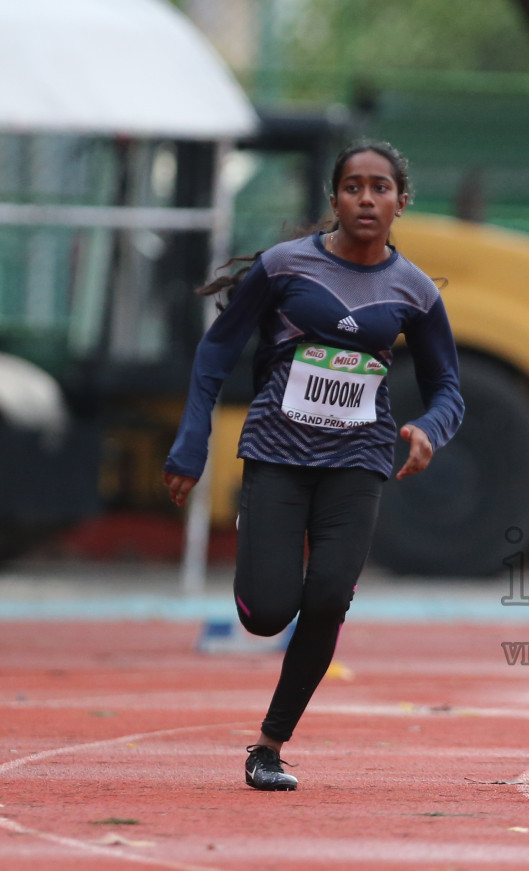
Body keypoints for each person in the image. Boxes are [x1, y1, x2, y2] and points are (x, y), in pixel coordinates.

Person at [162, 140, 464, 790]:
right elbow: (215, 353)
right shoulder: (284, 267)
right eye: (353, 186)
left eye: (380, 187)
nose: (366, 198)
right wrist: (192, 443)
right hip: (276, 451)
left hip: (357, 459)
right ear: (334, 200)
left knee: (327, 597)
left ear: (400, 203)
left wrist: (429, 430)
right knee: (266, 613)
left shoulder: (413, 291)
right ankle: (261, 549)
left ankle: (270, 746)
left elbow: (449, 389)